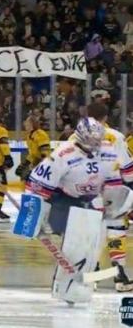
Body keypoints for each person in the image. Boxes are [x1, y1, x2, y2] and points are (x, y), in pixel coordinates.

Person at [25, 117, 132, 303]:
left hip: (91, 199)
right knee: (75, 245)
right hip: (63, 198)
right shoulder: (63, 154)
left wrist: (113, 207)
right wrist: (32, 217)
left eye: (97, 140)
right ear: (80, 138)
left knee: (89, 247)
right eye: (90, 141)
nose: (95, 145)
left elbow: (114, 182)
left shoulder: (108, 150)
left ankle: (81, 283)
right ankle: (66, 286)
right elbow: (37, 185)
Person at [83, 103, 133, 291]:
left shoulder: (75, 136)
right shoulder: (116, 137)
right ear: (105, 118)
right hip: (113, 189)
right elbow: (128, 169)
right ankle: (119, 276)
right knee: (116, 230)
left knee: (90, 233)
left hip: (87, 190)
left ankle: (91, 276)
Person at [15, 116, 50, 181]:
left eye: (27, 122)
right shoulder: (29, 135)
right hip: (35, 161)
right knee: (24, 176)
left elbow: (45, 151)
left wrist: (42, 164)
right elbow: (32, 153)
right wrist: (25, 163)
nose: (25, 124)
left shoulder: (40, 134)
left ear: (31, 124)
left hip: (43, 162)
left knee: (31, 179)